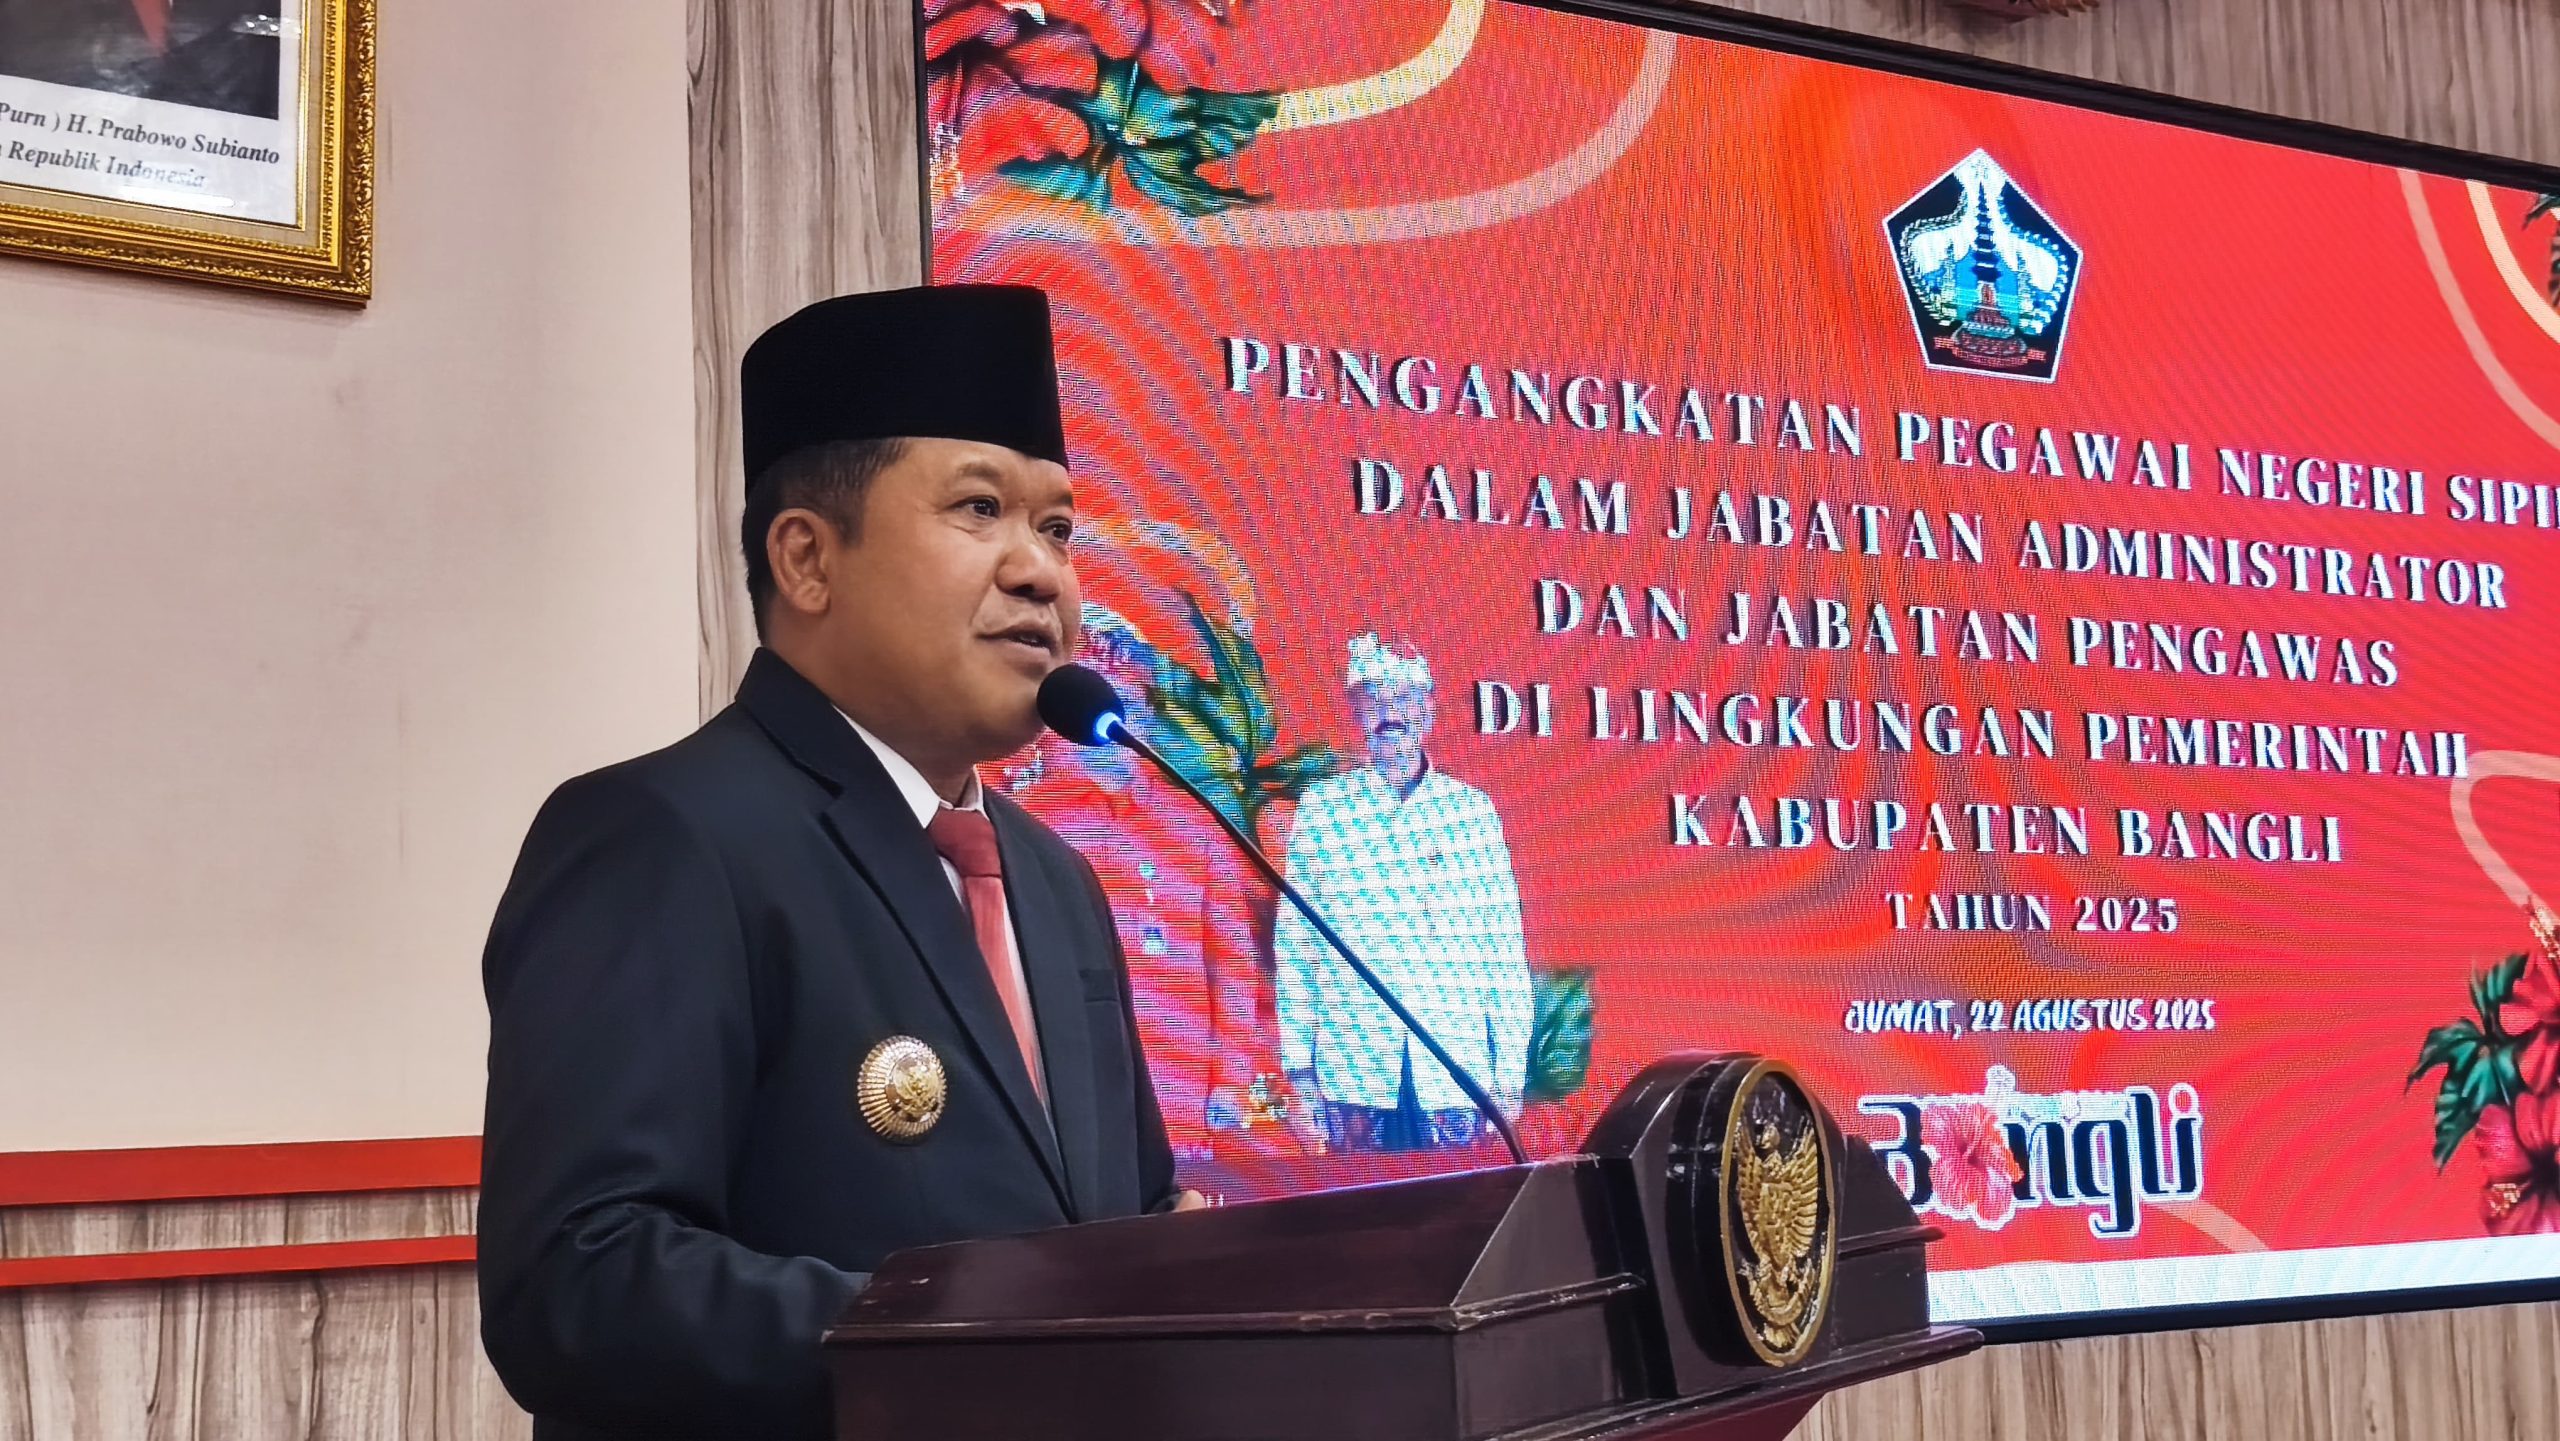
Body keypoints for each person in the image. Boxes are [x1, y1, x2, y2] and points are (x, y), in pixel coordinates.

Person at [477, 284, 1200, 1441]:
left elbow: (1122, 1219)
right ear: (808, 559)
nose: (1042, 572)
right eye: (980, 508)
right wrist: (973, 1336)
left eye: (1060, 527)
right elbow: (577, 1280)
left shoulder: (1056, 882)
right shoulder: (663, 835)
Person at [1026, 605, 1273, 1161]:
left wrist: (1232, 1079)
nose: (1124, 716)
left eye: (1133, 698)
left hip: (1184, 1102)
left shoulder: (1191, 820)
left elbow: (1231, 962)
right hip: (1069, 1110)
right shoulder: (1029, 819)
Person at [1273, 634, 1535, 1152]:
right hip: (1354, 1070)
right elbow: (1296, 944)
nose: (1389, 714)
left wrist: (1508, 1075)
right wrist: (1299, 1069)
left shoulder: (1470, 812)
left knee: (1464, 1200)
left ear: (1428, 711)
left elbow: (1502, 952)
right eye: (1373, 699)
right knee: (1362, 1200)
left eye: (1404, 698)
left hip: (1454, 1072)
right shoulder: (1325, 809)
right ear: (1355, 713)